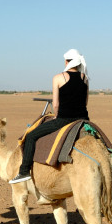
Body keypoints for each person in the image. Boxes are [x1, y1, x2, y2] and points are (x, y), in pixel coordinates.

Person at [9, 49, 90, 183]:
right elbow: (86, 102)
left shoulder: (58, 78)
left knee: (31, 136)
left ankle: (24, 172)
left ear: (66, 62)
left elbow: (56, 104)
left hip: (64, 120)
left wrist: (56, 117)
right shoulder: (85, 78)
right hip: (83, 119)